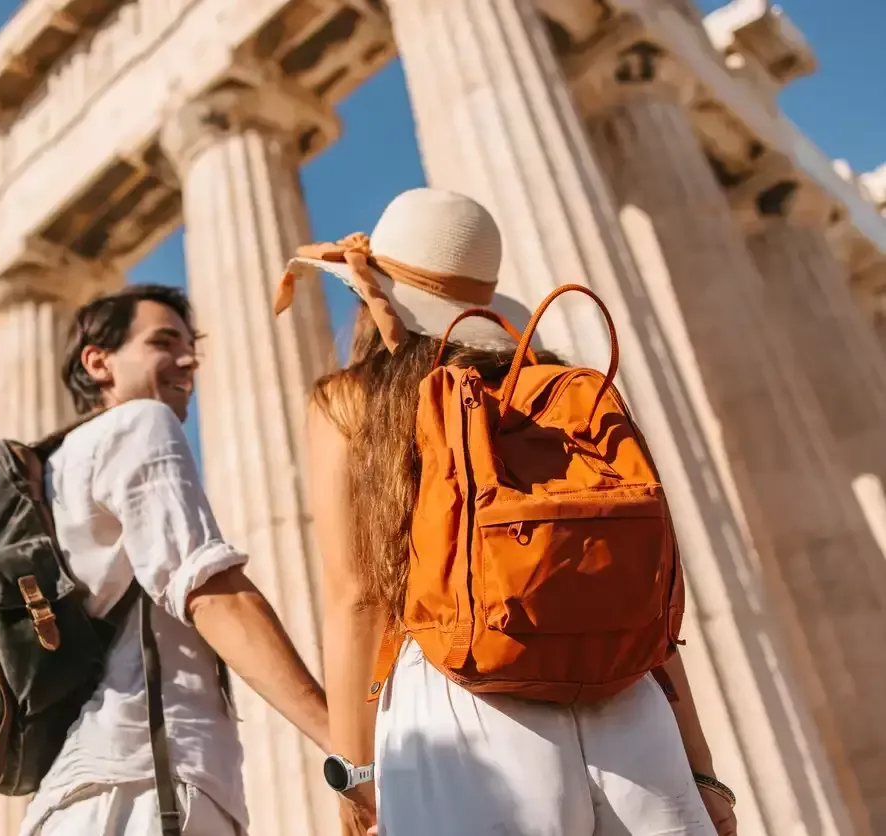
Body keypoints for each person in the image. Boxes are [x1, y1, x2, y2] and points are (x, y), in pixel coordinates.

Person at [277, 188, 736, 835]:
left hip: (462, 708)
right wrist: (701, 769)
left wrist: (356, 775)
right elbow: (636, 589)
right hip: (630, 710)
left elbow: (355, 597)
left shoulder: (352, 401)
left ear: (369, 298)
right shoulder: (562, 396)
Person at [19, 283, 330, 835]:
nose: (188, 359)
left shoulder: (56, 468)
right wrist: (346, 748)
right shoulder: (140, 422)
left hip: (77, 796)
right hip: (144, 788)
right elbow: (209, 592)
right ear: (99, 362)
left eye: (191, 346)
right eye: (163, 342)